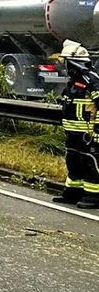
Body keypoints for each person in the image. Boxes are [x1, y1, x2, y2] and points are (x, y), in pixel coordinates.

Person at [54, 40, 99, 208]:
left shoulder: (91, 80)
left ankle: (94, 196)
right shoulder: (73, 82)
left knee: (89, 162)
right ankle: (72, 193)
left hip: (88, 134)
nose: (65, 65)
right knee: (73, 162)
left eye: (66, 61)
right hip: (73, 133)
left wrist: (97, 131)